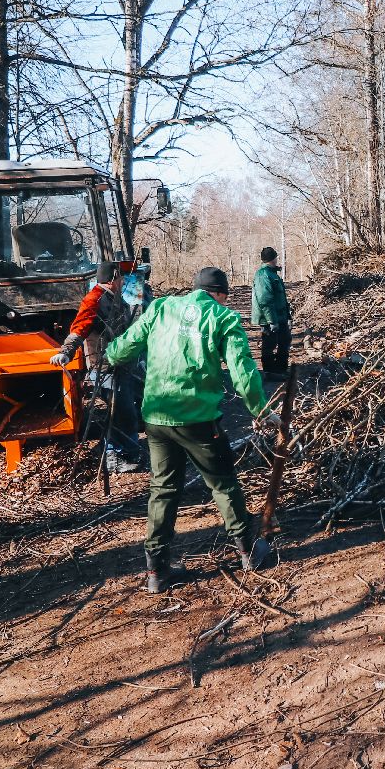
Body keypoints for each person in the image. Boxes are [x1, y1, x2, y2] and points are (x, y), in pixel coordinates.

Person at [107, 266, 280, 593]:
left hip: (156, 419)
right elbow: (243, 373)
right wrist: (262, 411)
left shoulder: (160, 308)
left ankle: (156, 570)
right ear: (221, 293)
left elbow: (125, 346)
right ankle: (247, 550)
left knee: (163, 488)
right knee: (222, 482)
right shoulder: (224, 318)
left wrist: (109, 355)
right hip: (199, 420)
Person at [50, 262, 143, 473]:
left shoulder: (115, 297)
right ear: (113, 279)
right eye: (121, 279)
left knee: (126, 411)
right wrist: (66, 352)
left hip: (122, 365)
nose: (123, 283)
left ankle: (127, 450)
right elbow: (79, 327)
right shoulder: (94, 299)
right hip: (105, 367)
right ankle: (112, 457)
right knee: (116, 414)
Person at [252, 247, 291, 377]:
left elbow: (281, 297)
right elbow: (264, 299)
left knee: (285, 340)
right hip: (269, 318)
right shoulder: (263, 274)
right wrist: (271, 320)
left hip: (280, 316)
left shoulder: (273, 273)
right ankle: (270, 372)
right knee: (270, 344)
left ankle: (281, 369)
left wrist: (288, 316)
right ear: (273, 258)